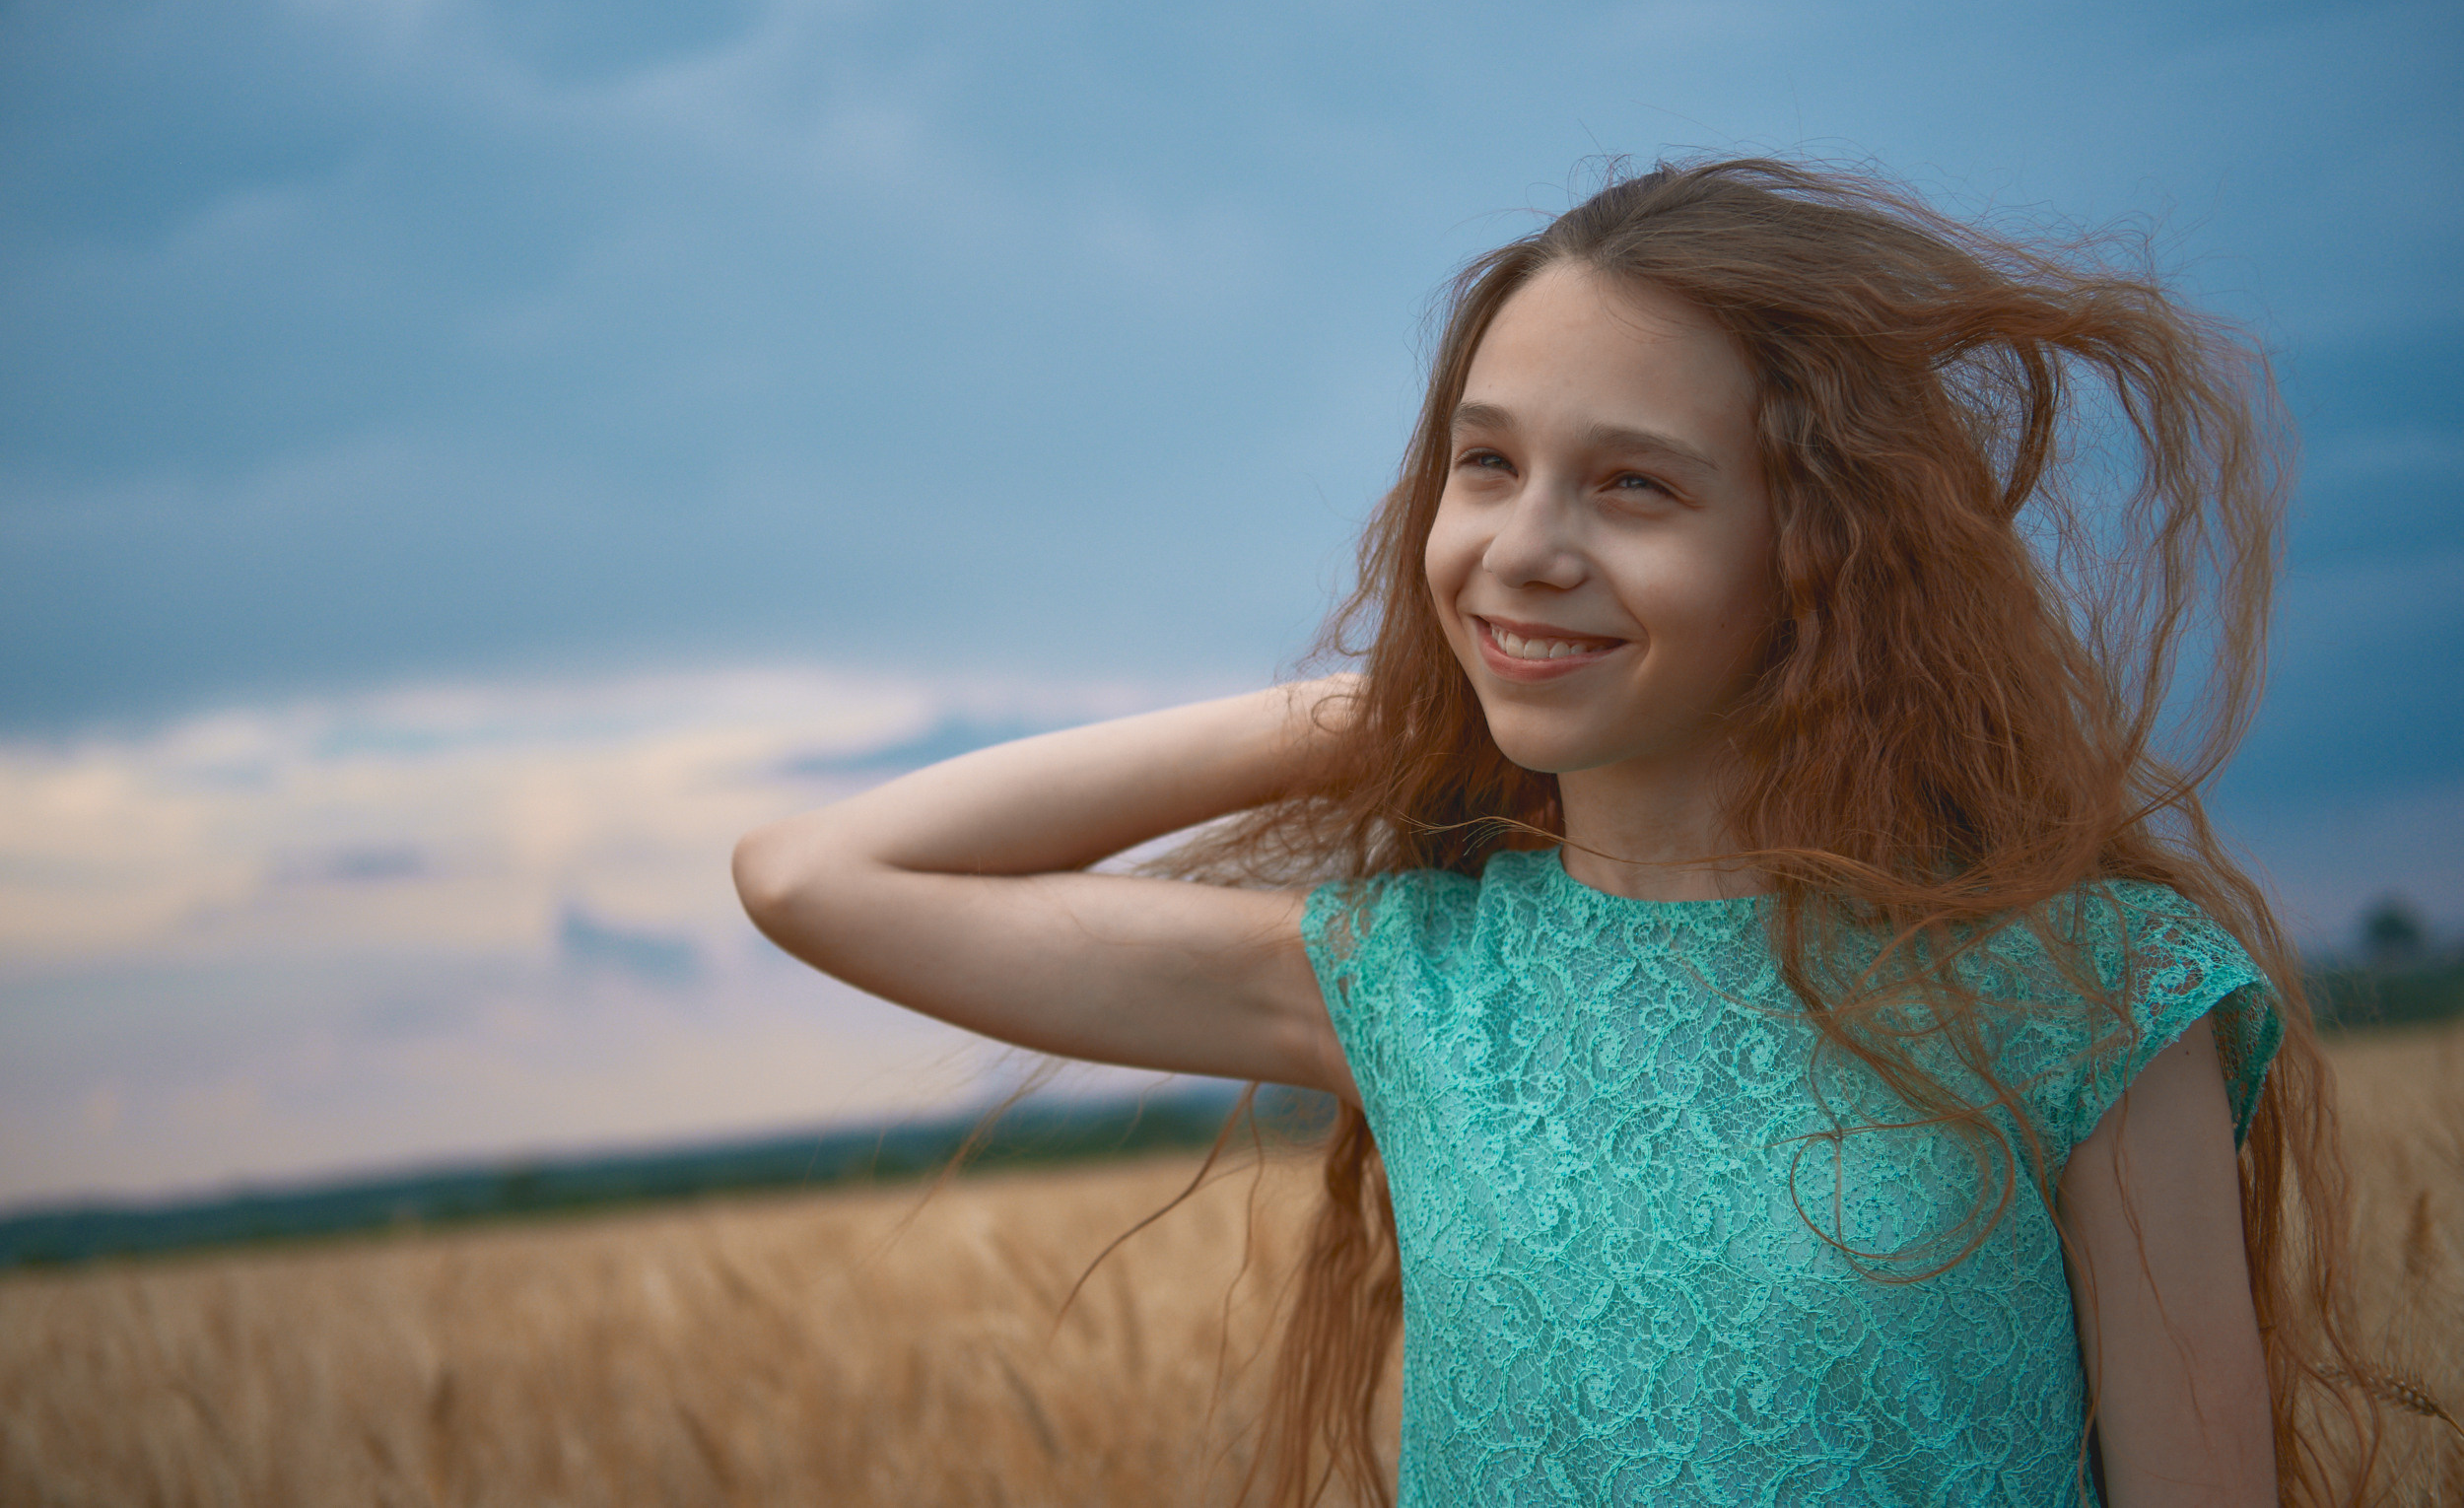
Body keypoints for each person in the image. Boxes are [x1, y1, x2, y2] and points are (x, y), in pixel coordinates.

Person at [734, 159, 2374, 1506]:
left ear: (1823, 557)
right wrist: (1396, 699)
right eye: (1487, 468)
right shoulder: (1409, 982)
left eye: (1634, 487)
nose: (1525, 546)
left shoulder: (2080, 990)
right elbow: (821, 877)